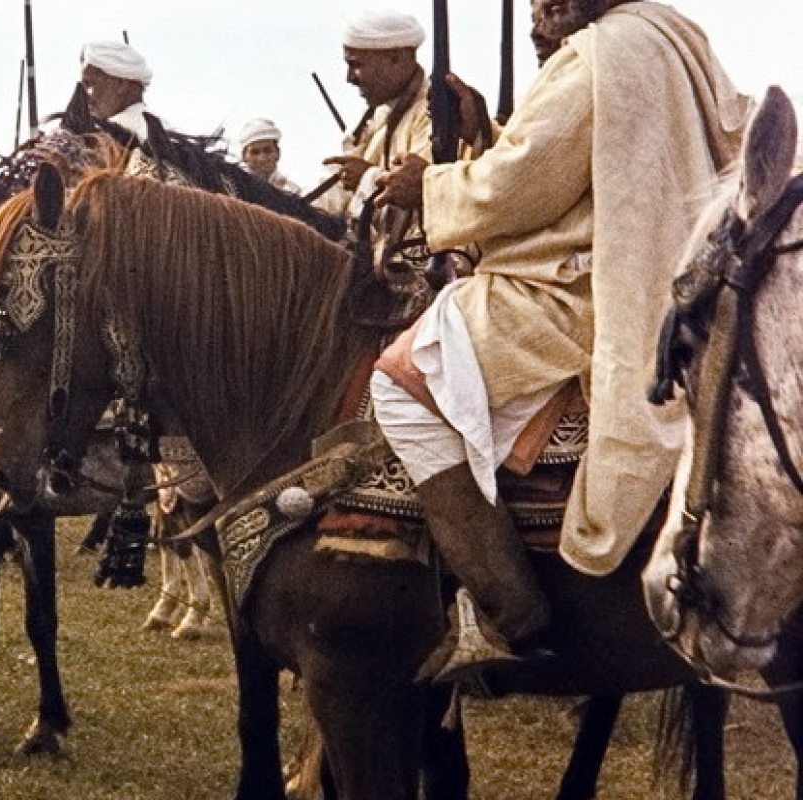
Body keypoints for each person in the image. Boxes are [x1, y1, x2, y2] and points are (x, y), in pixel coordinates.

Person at [369, 0, 749, 682]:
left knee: (400, 379)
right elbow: (575, 163)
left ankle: (501, 615)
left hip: (577, 292)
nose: (540, 7)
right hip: (661, 280)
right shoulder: (675, 36)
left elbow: (517, 187)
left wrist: (425, 185)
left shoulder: (596, 56)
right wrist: (490, 134)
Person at [315, 9, 431, 223]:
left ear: (395, 59)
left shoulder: (433, 114)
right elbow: (332, 200)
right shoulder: (378, 115)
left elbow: (428, 194)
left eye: (356, 65)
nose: (349, 78)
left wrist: (367, 179)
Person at [80, 39, 154, 142]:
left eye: (90, 84)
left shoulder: (105, 138)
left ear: (121, 85)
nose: (84, 96)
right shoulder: (165, 128)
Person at [237, 118, 301, 194]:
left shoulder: (293, 192)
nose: (262, 159)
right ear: (244, 157)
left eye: (267, 151)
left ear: (278, 153)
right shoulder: (234, 190)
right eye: (255, 152)